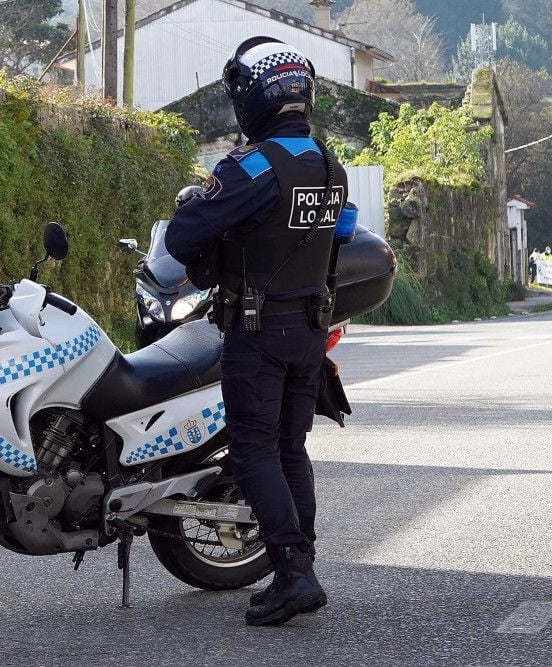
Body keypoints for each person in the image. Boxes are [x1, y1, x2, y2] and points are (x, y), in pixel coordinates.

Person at [165, 36, 349, 627]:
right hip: (310, 331)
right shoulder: (327, 161)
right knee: (290, 448)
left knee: (251, 449)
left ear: (254, 95)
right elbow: (339, 232)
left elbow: (182, 235)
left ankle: (293, 574)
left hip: (258, 330)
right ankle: (302, 564)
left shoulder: (252, 167)